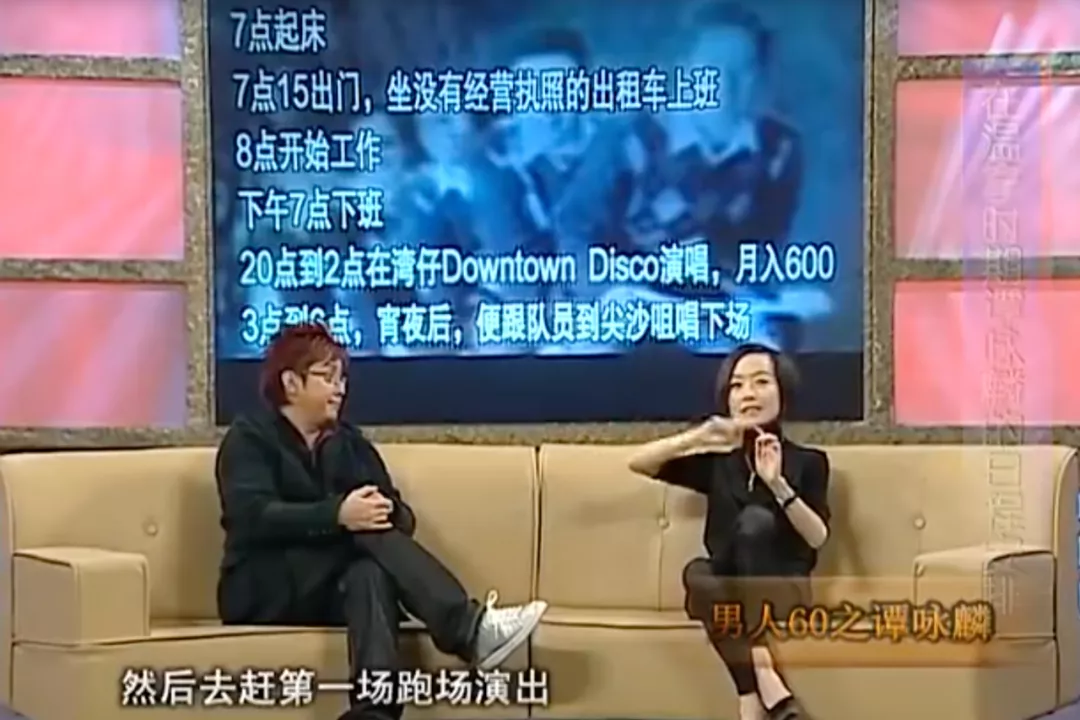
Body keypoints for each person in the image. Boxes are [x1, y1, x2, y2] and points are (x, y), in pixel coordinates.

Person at [215, 322, 548, 720]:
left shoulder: (347, 442)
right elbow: (252, 516)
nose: (340, 389)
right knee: (362, 539)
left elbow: (400, 518)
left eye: (343, 379)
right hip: (263, 588)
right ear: (291, 383)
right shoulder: (249, 438)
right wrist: (339, 515)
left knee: (368, 572)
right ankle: (467, 629)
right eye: (327, 377)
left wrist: (379, 511)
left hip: (328, 588)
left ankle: (374, 713)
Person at [626, 343, 830, 720]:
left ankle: (753, 682)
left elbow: (817, 537)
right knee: (697, 573)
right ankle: (758, 684)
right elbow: (638, 463)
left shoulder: (809, 461)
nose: (748, 393)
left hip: (781, 590)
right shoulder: (719, 465)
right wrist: (699, 436)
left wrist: (778, 485)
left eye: (761, 382)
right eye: (737, 386)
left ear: (783, 393)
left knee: (754, 522)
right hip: (725, 593)